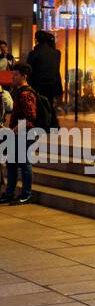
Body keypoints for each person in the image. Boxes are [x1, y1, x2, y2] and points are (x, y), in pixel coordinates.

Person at [1, 63, 37, 204]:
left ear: (24, 76)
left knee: (23, 162)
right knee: (11, 162)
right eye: (12, 74)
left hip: (25, 133)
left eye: (16, 75)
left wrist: (14, 131)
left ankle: (26, 194)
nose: (13, 77)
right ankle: (9, 193)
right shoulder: (17, 91)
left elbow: (30, 118)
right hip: (17, 133)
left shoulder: (27, 93)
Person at [27, 30, 63, 115]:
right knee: (49, 106)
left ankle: (40, 125)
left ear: (36, 40)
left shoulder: (33, 54)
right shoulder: (56, 53)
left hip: (37, 85)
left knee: (38, 108)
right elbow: (56, 71)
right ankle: (48, 125)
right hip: (52, 85)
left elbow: (29, 71)